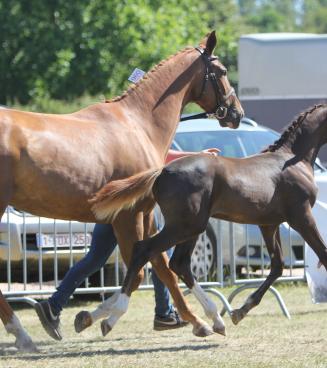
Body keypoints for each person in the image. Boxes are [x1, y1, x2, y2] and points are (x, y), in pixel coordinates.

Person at [35, 148, 219, 341]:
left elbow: (161, 156)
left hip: (120, 205)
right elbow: (160, 158)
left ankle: (55, 304)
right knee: (155, 258)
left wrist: (195, 154)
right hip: (132, 206)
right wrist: (196, 155)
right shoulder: (144, 135)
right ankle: (164, 313)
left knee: (95, 260)